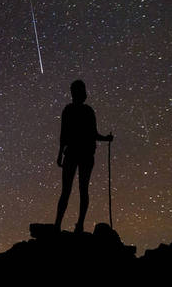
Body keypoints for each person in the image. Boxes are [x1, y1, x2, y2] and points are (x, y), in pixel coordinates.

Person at [55, 80, 113, 233]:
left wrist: (60, 153)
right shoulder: (87, 111)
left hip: (74, 153)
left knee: (68, 190)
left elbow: (64, 134)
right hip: (85, 154)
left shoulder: (69, 110)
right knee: (82, 189)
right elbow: (94, 134)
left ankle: (58, 225)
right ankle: (78, 225)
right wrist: (106, 138)